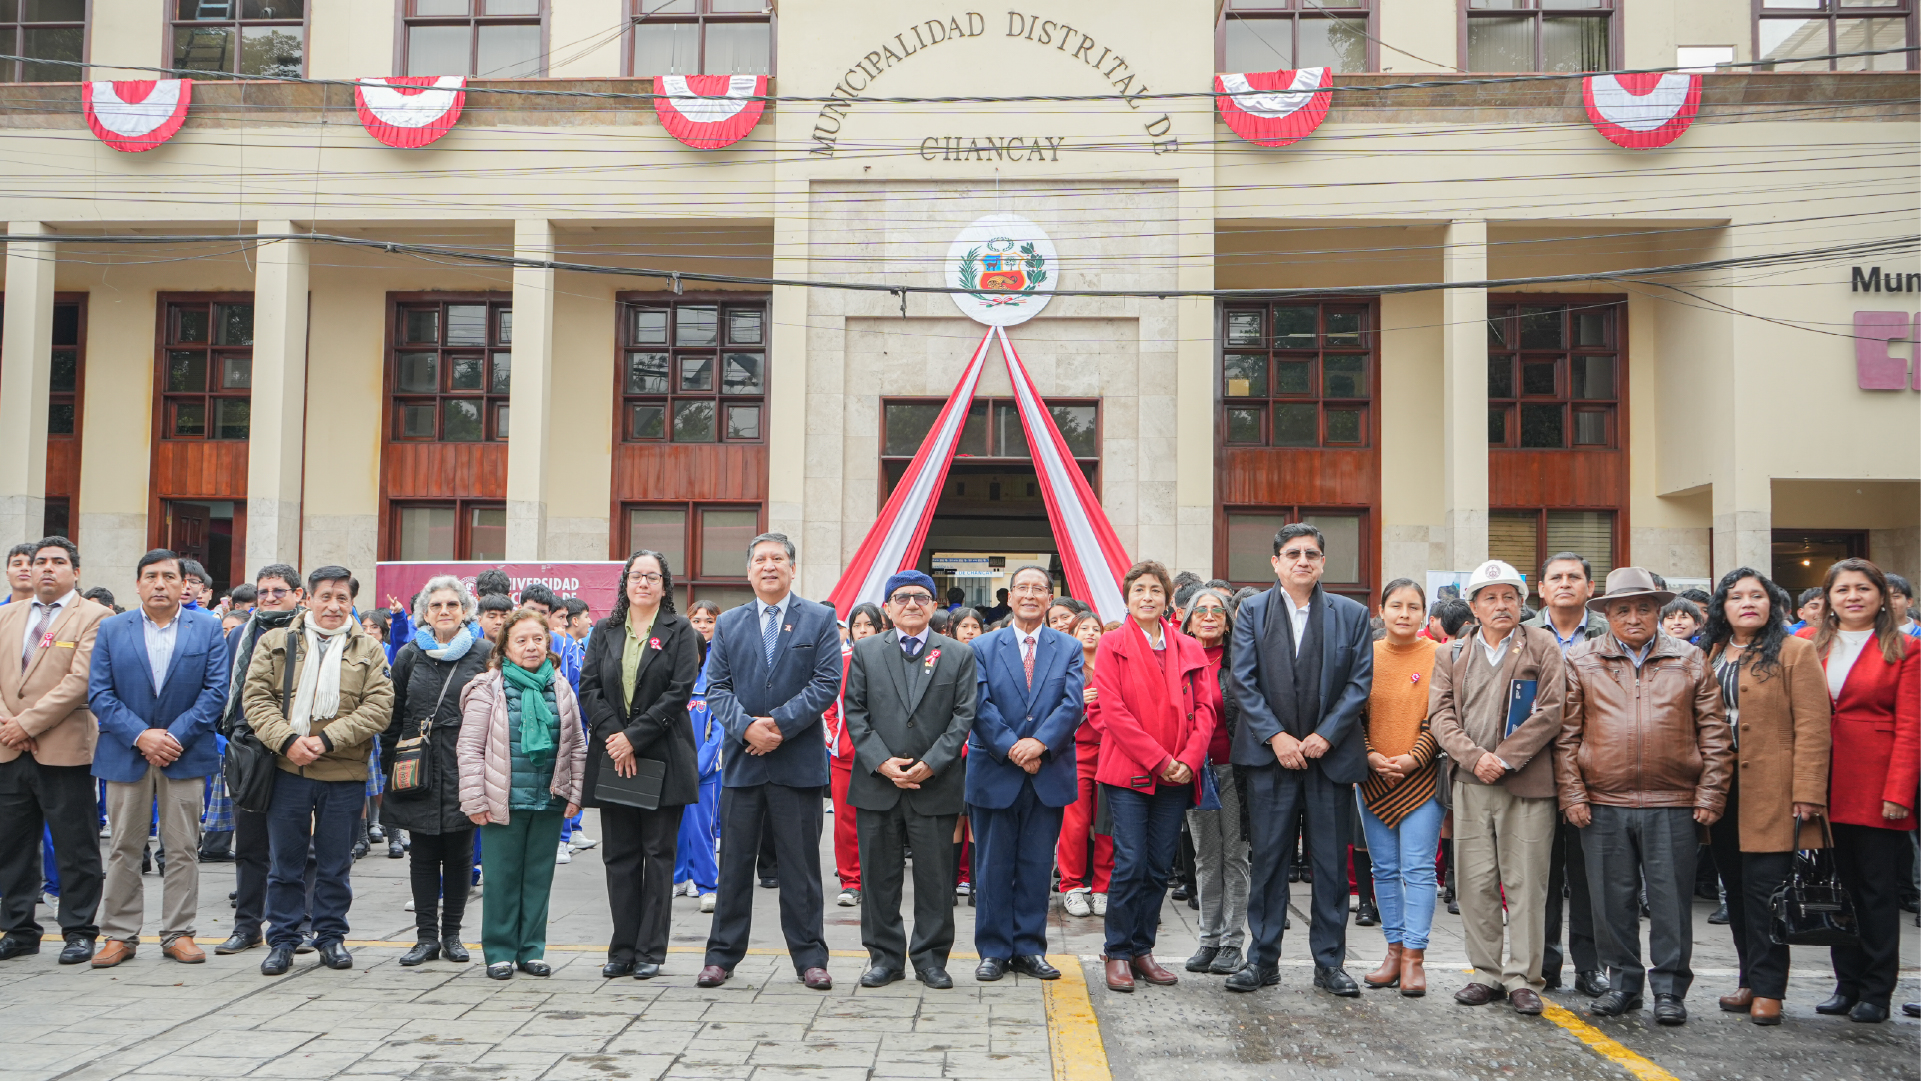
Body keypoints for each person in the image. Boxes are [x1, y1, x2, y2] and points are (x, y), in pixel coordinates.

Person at [1558, 567, 1733, 1026]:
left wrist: (1711, 792)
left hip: (1673, 800)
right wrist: (1573, 793)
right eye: (1623, 610)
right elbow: (1567, 736)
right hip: (1603, 801)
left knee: (1671, 901)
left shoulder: (1691, 659)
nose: (1633, 617)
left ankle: (1671, 989)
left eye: (1643, 608)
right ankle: (1623, 984)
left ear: (1658, 611)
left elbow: (1715, 733)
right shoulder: (1582, 659)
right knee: (1610, 901)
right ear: (1608, 615)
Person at [1227, 524, 1374, 995]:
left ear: (1323, 562)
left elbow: (1359, 683)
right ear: (1276, 562)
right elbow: (1242, 682)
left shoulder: (1350, 614)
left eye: (1312, 553)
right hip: (1273, 759)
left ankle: (1330, 964)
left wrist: (1324, 736)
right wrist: (1277, 737)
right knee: (1268, 861)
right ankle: (1262, 960)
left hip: (1328, 759)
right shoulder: (1250, 612)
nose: (1302, 561)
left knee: (1330, 866)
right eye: (1292, 554)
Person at [697, 533, 842, 991]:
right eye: (760, 559)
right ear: (748, 571)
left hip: (796, 762)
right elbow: (716, 687)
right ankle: (721, 956)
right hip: (742, 763)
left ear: (793, 568)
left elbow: (826, 682)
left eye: (778, 558)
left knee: (801, 868)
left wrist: (776, 725)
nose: (769, 566)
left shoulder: (819, 618)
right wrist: (746, 729)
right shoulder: (730, 623)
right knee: (735, 865)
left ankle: (810, 959)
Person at [1429, 560, 1568, 1016]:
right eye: (1490, 597)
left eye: (1509, 596)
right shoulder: (1451, 653)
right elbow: (1441, 716)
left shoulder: (1542, 644)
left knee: (1526, 881)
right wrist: (1475, 758)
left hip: (1526, 782)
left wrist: (1504, 758)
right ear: (1473, 606)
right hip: (1470, 782)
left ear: (1523, 602)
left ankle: (1524, 977)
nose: (1501, 605)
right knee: (1474, 881)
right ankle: (1486, 973)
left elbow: (1551, 710)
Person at [243, 565, 394, 976]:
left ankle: (330, 937)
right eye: (325, 596)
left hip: (343, 773)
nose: (333, 605)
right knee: (285, 864)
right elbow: (256, 699)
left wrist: (326, 740)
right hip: (287, 770)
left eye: (342, 598)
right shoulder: (277, 641)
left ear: (351, 603)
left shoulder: (369, 649)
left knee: (334, 865)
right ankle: (283, 940)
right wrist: (289, 741)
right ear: (308, 598)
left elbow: (379, 708)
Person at [1697, 568, 1830, 1026]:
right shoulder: (1711, 652)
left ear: (1773, 603)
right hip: (1722, 791)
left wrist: (1809, 791)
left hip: (1775, 791)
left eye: (1757, 596)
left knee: (1765, 892)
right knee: (1734, 890)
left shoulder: (1796, 650)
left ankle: (1771, 989)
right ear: (1723, 607)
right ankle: (1748, 979)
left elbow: (1814, 725)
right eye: (1737, 597)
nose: (1747, 603)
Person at [86, 548, 230, 968]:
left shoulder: (206, 629)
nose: (160, 583)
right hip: (126, 752)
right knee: (123, 847)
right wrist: (141, 736)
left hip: (183, 754)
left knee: (183, 846)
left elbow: (215, 692)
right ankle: (118, 935)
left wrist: (172, 737)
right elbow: (99, 693)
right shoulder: (113, 629)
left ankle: (178, 933)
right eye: (151, 576)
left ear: (184, 584)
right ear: (138, 583)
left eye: (169, 576)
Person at [841, 571, 978, 990]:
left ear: (935, 606)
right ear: (887, 607)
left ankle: (931, 959)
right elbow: (855, 712)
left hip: (934, 783)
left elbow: (963, 716)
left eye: (922, 597)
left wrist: (933, 763)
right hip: (878, 784)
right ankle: (884, 958)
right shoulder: (865, 651)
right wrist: (882, 762)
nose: (912, 604)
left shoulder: (957, 654)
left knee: (936, 879)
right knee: (879, 876)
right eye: (902, 598)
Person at [1094, 560, 1217, 992]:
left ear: (1168, 600)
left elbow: (1206, 709)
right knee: (1129, 862)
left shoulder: (1188, 646)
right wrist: (1158, 759)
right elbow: (1113, 712)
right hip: (1129, 771)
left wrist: (1189, 757)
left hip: (1179, 773)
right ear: (1127, 598)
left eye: (1155, 591)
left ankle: (1143, 949)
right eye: (1138, 590)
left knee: (1159, 865)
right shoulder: (1112, 644)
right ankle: (1117, 951)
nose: (1147, 597)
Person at [579, 550, 701, 980]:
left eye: (653, 576)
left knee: (658, 855)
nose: (644, 583)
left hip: (662, 755)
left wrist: (634, 737)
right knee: (620, 857)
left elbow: (679, 690)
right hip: (614, 755)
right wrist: (616, 737)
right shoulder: (604, 630)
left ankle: (651, 950)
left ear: (665, 585)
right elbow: (589, 687)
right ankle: (622, 949)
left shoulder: (680, 630)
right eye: (636, 576)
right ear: (625, 583)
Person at [1807, 558, 1917, 1024]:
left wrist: (1900, 791)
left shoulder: (1905, 649)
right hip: (1821, 780)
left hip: (1876, 786)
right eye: (1842, 589)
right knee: (1836, 889)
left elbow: (1912, 728)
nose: (1853, 596)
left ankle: (1876, 989)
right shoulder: (1805, 644)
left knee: (1875, 892)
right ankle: (1845, 983)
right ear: (1828, 599)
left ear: (1881, 596)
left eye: (1863, 588)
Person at [968, 564, 1083, 983]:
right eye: (1023, 588)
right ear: (1010, 596)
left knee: (1036, 866)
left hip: (1047, 770)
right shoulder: (981, 646)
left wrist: (1040, 744)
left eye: (1040, 588)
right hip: (996, 770)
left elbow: (1072, 705)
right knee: (993, 866)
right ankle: (994, 950)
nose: (1031, 595)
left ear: (1050, 599)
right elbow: (978, 705)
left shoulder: (1067, 647)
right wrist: (1013, 747)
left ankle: (1030, 948)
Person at [458, 608, 586, 980]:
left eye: (538, 639)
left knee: (538, 878)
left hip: (548, 798)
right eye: (522, 640)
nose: (531, 647)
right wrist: (475, 799)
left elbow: (577, 744)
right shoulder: (488, 688)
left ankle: (531, 950)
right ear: (505, 647)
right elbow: (468, 749)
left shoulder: (560, 686)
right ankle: (498, 951)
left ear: (549, 642)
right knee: (501, 878)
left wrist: (574, 794)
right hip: (503, 799)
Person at [0, 538, 111, 965]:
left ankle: (79, 929)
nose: (46, 569)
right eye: (39, 562)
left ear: (75, 572)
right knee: (12, 845)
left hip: (64, 749)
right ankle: (18, 927)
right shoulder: (8, 615)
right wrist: (10, 726)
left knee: (75, 845)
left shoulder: (95, 617)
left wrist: (26, 724)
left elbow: (79, 682)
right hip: (9, 748)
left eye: (57, 562)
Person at [380, 577, 491, 968]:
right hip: (418, 764)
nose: (444, 611)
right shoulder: (410, 654)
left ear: (465, 611)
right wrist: (390, 761)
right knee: (422, 853)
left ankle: (453, 936)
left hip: (465, 763)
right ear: (424, 613)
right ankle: (425, 938)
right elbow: (393, 714)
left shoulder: (483, 653)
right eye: (436, 606)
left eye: (452, 605)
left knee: (460, 854)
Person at [1522, 552, 1611, 998]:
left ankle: (1590, 966)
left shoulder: (1608, 634)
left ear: (1590, 588)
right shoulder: (1524, 633)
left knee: (1587, 874)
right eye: (1555, 577)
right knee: (1540, 873)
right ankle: (1545, 963)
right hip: (1535, 767)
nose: (1564, 584)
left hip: (1591, 767)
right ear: (1541, 588)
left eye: (1574, 577)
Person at [1352, 579, 1443, 998]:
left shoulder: (1441, 656)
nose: (1404, 613)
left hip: (1421, 779)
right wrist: (1369, 755)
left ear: (1424, 613)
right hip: (1372, 778)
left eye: (1413, 606)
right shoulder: (1365, 656)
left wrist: (1414, 758)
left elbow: (1442, 715)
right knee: (1383, 869)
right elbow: (1353, 714)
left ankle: (1414, 957)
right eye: (1396, 605)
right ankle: (1392, 951)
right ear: (1382, 610)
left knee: (1419, 869)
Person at [1178, 587, 1250, 978]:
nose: (1208, 616)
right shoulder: (1178, 658)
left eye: (1216, 611)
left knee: (1234, 856)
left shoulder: (1242, 658)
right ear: (1188, 619)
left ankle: (1232, 942)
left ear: (1227, 621)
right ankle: (1208, 938)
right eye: (1200, 610)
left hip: (1235, 771)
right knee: (1206, 855)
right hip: (1196, 771)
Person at [827, 602, 884, 908]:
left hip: (884, 761)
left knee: (879, 824)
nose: (862, 631)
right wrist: (834, 740)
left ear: (880, 628)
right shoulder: (839, 661)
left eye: (868, 625)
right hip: (845, 758)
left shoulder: (893, 660)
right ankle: (851, 881)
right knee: (845, 825)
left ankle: (877, 881)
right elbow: (827, 708)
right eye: (857, 625)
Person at [1057, 611, 1113, 918]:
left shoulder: (1113, 665)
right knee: (1075, 824)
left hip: (1110, 752)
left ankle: (1103, 887)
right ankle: (1072, 886)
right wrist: (1079, 698)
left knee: (1106, 825)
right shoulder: (1066, 667)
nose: (1090, 633)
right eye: (1084, 629)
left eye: (1096, 629)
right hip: (1075, 753)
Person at [675, 598, 727, 913]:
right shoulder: (673, 681)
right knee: (675, 827)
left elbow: (719, 730)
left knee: (701, 828)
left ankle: (707, 884)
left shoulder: (718, 674)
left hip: (705, 770)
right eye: (697, 620)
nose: (703, 625)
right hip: (674, 766)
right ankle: (679, 878)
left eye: (709, 620)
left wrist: (700, 764)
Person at [1885, 573, 1918, 638]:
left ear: (1909, 602)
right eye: (1885, 597)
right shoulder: (1869, 634)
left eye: (1896, 596)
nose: (1890, 602)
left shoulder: (1918, 635)